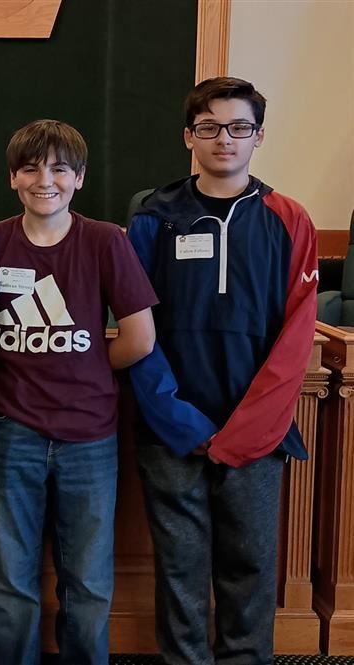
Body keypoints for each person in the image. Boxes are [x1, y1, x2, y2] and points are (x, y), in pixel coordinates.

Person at [128, 76, 319, 665]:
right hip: (172, 432)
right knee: (180, 572)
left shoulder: (288, 218)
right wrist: (178, 419)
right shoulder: (152, 218)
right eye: (209, 127)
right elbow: (135, 331)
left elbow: (296, 338)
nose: (224, 140)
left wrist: (245, 431)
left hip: (257, 436)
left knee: (251, 568)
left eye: (239, 128)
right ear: (189, 136)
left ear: (258, 137)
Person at [0, 119, 157, 665]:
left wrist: (87, 366)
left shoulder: (105, 241)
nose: (44, 179)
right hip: (8, 433)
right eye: (30, 168)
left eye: (59, 168)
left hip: (89, 437)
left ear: (79, 177)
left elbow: (141, 339)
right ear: (12, 177)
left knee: (89, 584)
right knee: (11, 583)